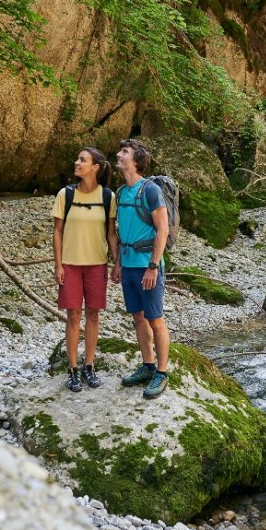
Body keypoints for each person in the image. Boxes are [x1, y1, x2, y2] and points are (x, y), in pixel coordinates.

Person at [51, 148, 118, 392]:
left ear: (95, 167)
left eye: (82, 160)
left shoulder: (108, 197)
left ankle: (89, 366)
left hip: (96, 264)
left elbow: (111, 233)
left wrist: (117, 262)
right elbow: (57, 231)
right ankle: (72, 369)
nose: (76, 162)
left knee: (93, 315)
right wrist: (57, 264)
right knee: (73, 316)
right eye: (77, 158)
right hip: (70, 264)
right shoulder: (65, 195)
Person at [112, 139, 171, 399]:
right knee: (137, 317)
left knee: (155, 319)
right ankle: (147, 365)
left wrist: (153, 266)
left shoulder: (150, 191)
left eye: (124, 152)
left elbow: (163, 230)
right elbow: (119, 231)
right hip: (128, 267)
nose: (118, 154)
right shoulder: (120, 192)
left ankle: (162, 372)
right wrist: (117, 263)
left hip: (148, 266)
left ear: (136, 160)